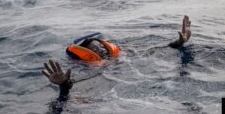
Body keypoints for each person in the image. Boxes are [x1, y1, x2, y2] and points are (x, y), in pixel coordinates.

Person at [42, 15, 191, 96]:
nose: (100, 49)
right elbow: (76, 83)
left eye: (100, 45)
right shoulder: (91, 71)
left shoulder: (123, 57)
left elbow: (153, 51)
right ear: (87, 56)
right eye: (93, 48)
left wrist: (178, 43)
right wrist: (64, 84)